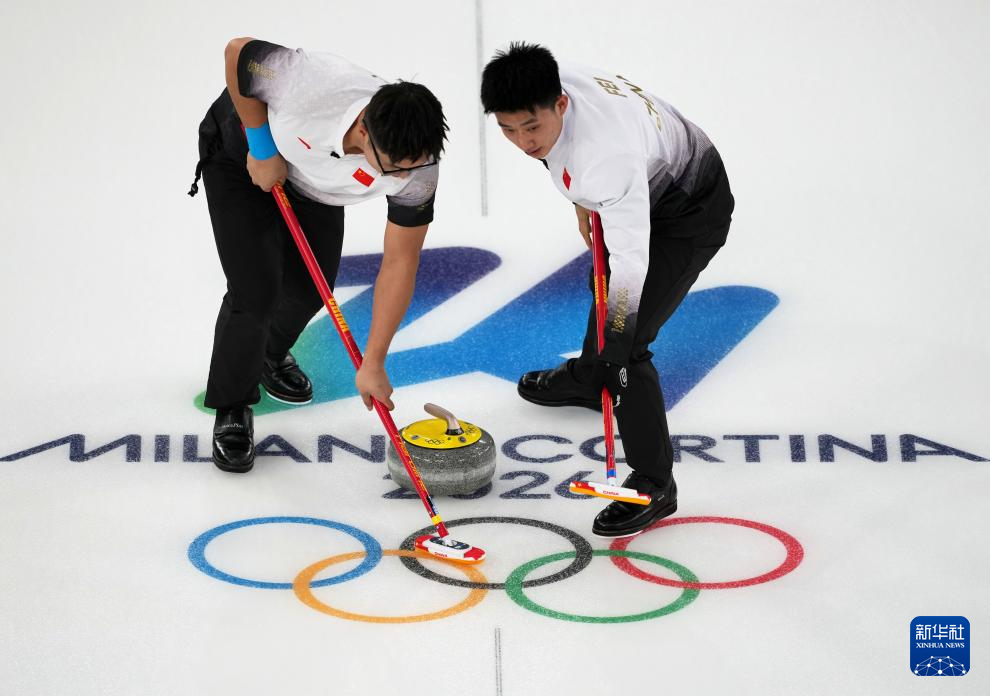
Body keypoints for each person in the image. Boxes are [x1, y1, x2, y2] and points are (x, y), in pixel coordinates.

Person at [481, 43, 734, 537]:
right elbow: (562, 156)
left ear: (560, 104)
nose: (523, 142)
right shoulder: (550, 86)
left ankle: (655, 483)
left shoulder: (604, 159)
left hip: (688, 211)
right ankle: (589, 377)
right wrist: (582, 199)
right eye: (508, 130)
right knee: (609, 319)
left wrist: (618, 341)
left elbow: (629, 266)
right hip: (638, 181)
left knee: (628, 342)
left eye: (531, 128)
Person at [191, 38, 447, 473]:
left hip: (314, 185)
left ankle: (267, 354)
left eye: (414, 166)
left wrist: (374, 362)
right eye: (394, 167)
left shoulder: (419, 172)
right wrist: (261, 147)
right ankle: (233, 404)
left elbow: (401, 261)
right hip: (244, 156)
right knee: (255, 292)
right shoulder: (307, 84)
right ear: (364, 130)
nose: (404, 176)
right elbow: (237, 53)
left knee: (311, 289)